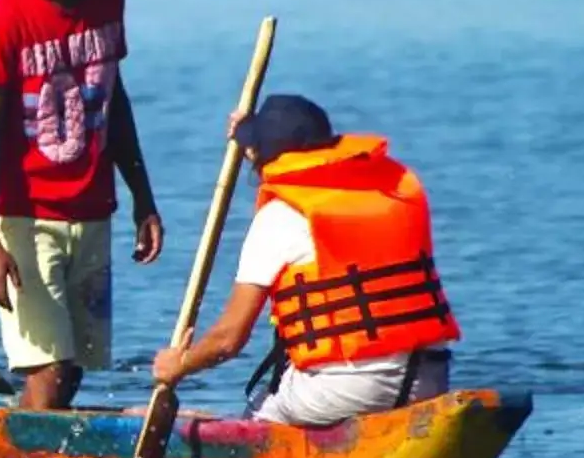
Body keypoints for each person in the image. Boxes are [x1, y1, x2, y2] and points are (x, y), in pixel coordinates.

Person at [0, 0, 164, 411]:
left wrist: (142, 197)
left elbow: (113, 97)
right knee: (51, 373)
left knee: (71, 371)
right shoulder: (0, 19)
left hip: (93, 210)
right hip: (26, 219)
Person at [149, 94, 458, 426]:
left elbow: (228, 339)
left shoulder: (281, 216)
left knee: (260, 411)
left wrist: (178, 364)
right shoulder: (388, 193)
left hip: (351, 389)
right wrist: (248, 131)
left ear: (264, 155)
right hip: (429, 377)